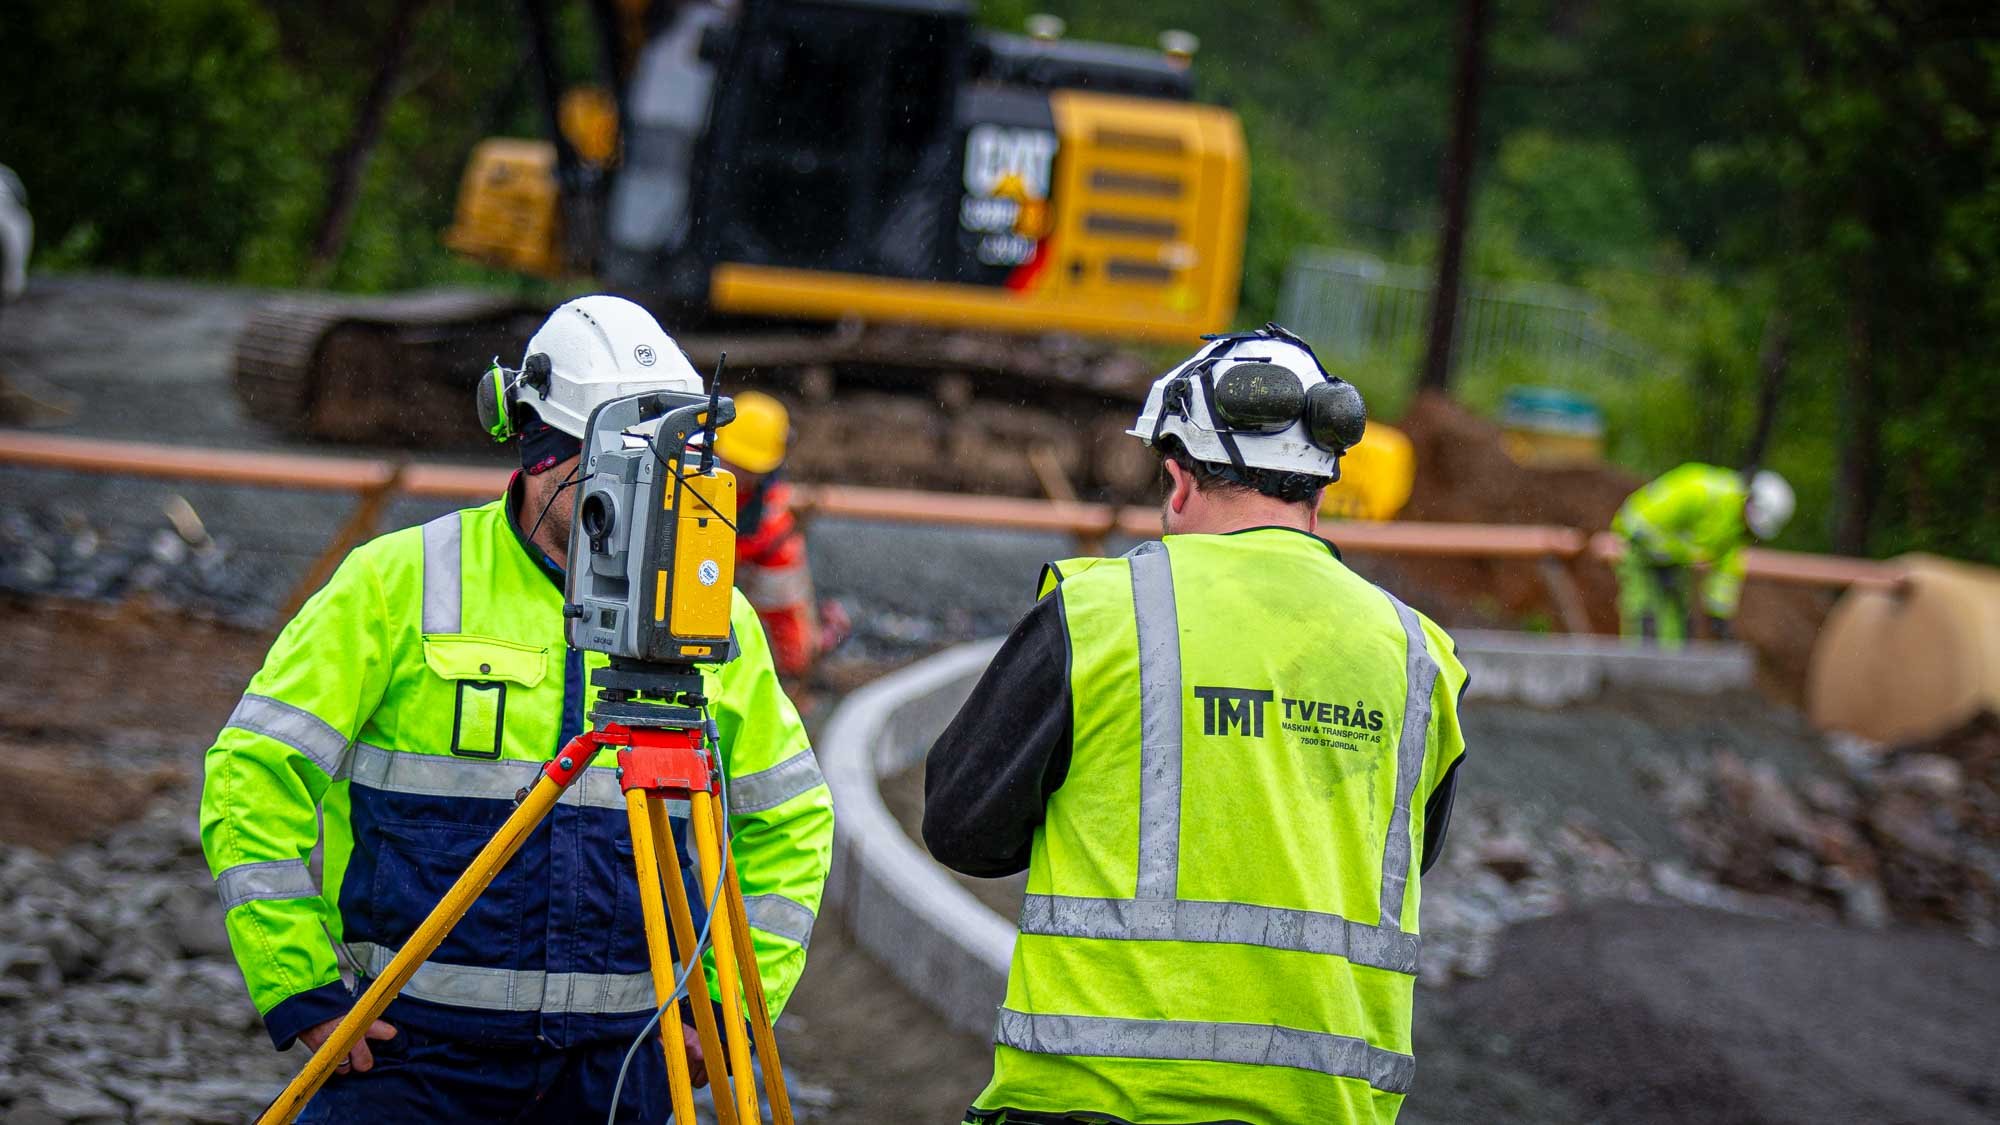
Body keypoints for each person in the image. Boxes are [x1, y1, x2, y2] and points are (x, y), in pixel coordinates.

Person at [199, 296, 834, 1121]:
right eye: (629, 472)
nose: (660, 501)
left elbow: (789, 818)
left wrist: (727, 1011)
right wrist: (301, 985)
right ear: (546, 453)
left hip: (620, 1066)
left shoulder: (712, 620)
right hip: (409, 1055)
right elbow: (253, 772)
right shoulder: (400, 581)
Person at [924, 323, 1470, 1125]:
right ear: (1318, 489)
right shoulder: (1420, 655)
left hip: (1096, 1105)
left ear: (1177, 480)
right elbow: (1402, 858)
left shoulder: (1101, 612)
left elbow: (962, 826)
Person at [710, 390, 844, 679]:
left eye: (746, 467)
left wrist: (796, 671)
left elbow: (786, 611)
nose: (737, 472)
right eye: (733, 462)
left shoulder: (774, 526)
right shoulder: (684, 484)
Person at [1611, 462, 1795, 646]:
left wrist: (1719, 618)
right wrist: (1680, 553)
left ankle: (1670, 670)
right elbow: (1636, 524)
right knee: (1645, 619)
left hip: (1675, 562)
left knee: (1678, 627)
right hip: (1639, 553)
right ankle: (1638, 663)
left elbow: (1725, 572)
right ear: (1749, 499)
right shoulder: (1698, 489)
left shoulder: (1736, 527)